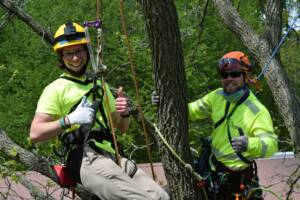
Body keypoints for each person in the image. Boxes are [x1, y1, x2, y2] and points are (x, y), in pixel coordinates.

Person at [30, 21, 169, 200]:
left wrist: (124, 112)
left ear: (86, 51)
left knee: (161, 197)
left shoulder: (100, 86)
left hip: (112, 155)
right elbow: (35, 133)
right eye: (69, 53)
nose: (75, 58)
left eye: (79, 51)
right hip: (84, 157)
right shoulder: (55, 89)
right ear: (61, 56)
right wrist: (69, 120)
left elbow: (122, 127)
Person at [152, 51, 278, 200]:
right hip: (212, 171)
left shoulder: (256, 111)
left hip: (238, 180)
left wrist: (249, 144)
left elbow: (271, 145)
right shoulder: (216, 97)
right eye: (225, 75)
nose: (229, 79)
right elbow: (189, 111)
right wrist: (164, 102)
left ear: (245, 76)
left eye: (235, 74)